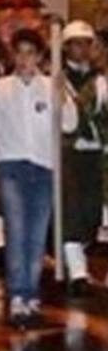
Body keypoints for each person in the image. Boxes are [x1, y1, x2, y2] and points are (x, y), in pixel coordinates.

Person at [0, 29, 77, 328]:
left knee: (37, 235)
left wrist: (63, 94)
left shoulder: (51, 86)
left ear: (39, 57)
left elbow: (70, 124)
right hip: (11, 166)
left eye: (30, 53)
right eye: (19, 52)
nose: (24, 59)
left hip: (43, 168)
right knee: (17, 229)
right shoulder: (0, 88)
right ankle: (17, 295)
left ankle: (31, 293)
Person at [60, 20, 107, 295]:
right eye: (76, 43)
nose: (82, 49)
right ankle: (77, 272)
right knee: (71, 211)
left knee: (91, 213)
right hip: (67, 153)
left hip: (95, 154)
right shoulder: (55, 78)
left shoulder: (100, 81)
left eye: (87, 43)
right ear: (66, 47)